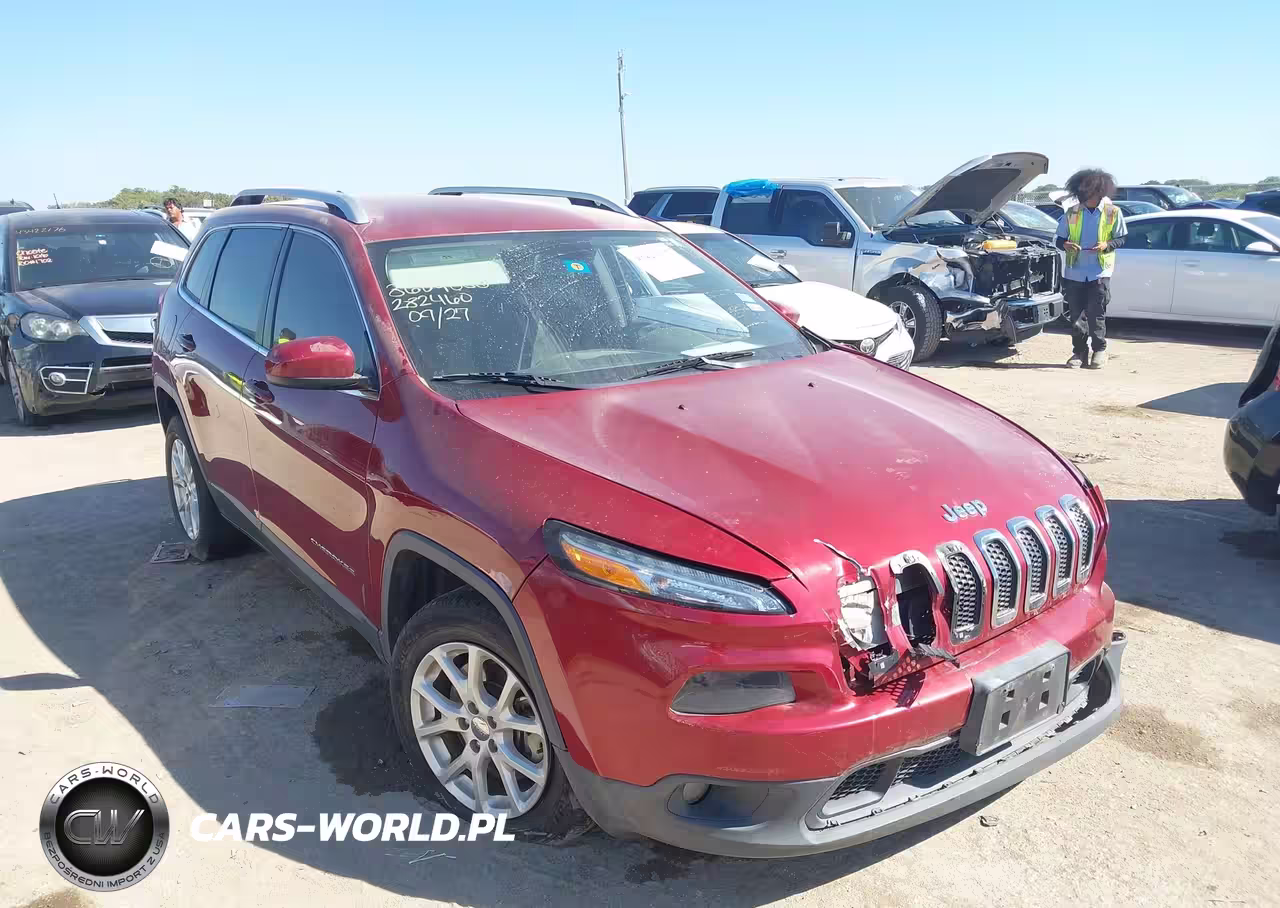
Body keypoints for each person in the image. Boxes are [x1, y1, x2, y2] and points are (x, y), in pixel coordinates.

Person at [1055, 169, 1127, 369]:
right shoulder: (1072, 213)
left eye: (1092, 195)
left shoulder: (1113, 213)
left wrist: (1107, 245)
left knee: (1097, 315)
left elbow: (1121, 238)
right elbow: (1059, 239)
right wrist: (1066, 245)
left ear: (1100, 193)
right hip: (1074, 272)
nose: (1088, 199)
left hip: (1099, 272)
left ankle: (1099, 351)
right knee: (1076, 317)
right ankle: (1079, 353)